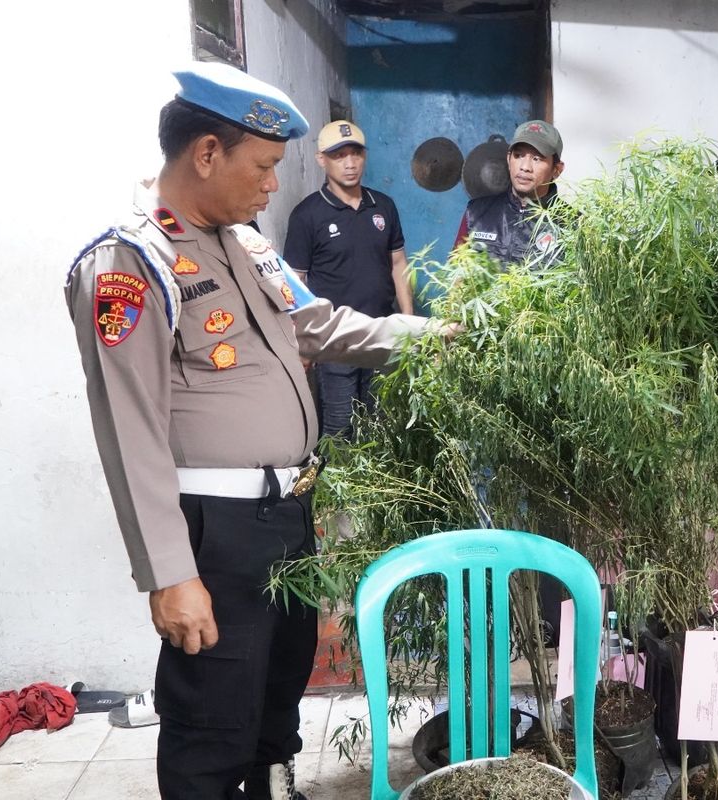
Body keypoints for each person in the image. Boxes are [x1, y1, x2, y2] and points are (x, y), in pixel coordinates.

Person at [64, 62, 453, 800]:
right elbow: (129, 431)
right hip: (217, 533)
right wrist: (171, 576)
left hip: (286, 516)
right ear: (207, 153)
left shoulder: (246, 247)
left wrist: (433, 336)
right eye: (265, 166)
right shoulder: (131, 264)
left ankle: (275, 791)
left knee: (276, 695)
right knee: (213, 717)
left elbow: (320, 324)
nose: (274, 185)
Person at [283, 121, 414, 439]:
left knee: (382, 422)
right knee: (340, 425)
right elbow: (294, 284)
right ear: (321, 160)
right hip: (335, 340)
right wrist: (301, 344)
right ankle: (339, 487)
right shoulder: (307, 215)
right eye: (339, 155)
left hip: (382, 332)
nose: (350, 163)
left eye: (355, 154)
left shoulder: (383, 206)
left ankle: (381, 487)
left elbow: (398, 264)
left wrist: (409, 324)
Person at [454, 119, 566, 268]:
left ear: (557, 169)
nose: (525, 167)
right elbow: (456, 279)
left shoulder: (572, 226)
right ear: (508, 158)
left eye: (537, 159)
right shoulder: (476, 213)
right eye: (518, 156)